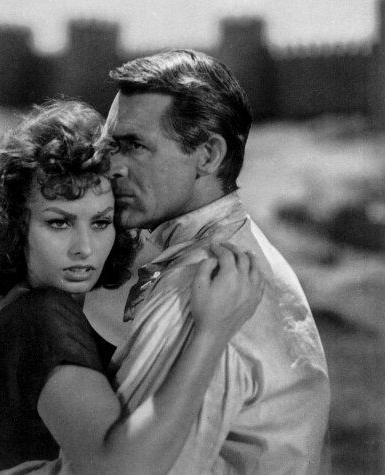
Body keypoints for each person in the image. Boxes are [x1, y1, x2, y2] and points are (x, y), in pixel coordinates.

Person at [0, 99, 265, 474]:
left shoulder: (36, 313)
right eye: (59, 223)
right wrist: (211, 334)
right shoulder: (40, 318)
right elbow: (119, 469)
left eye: (100, 223)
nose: (84, 248)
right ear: (17, 227)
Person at [91, 49, 330, 474]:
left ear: (208, 156)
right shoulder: (244, 248)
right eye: (111, 145)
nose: (112, 167)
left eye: (134, 146)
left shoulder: (200, 283)